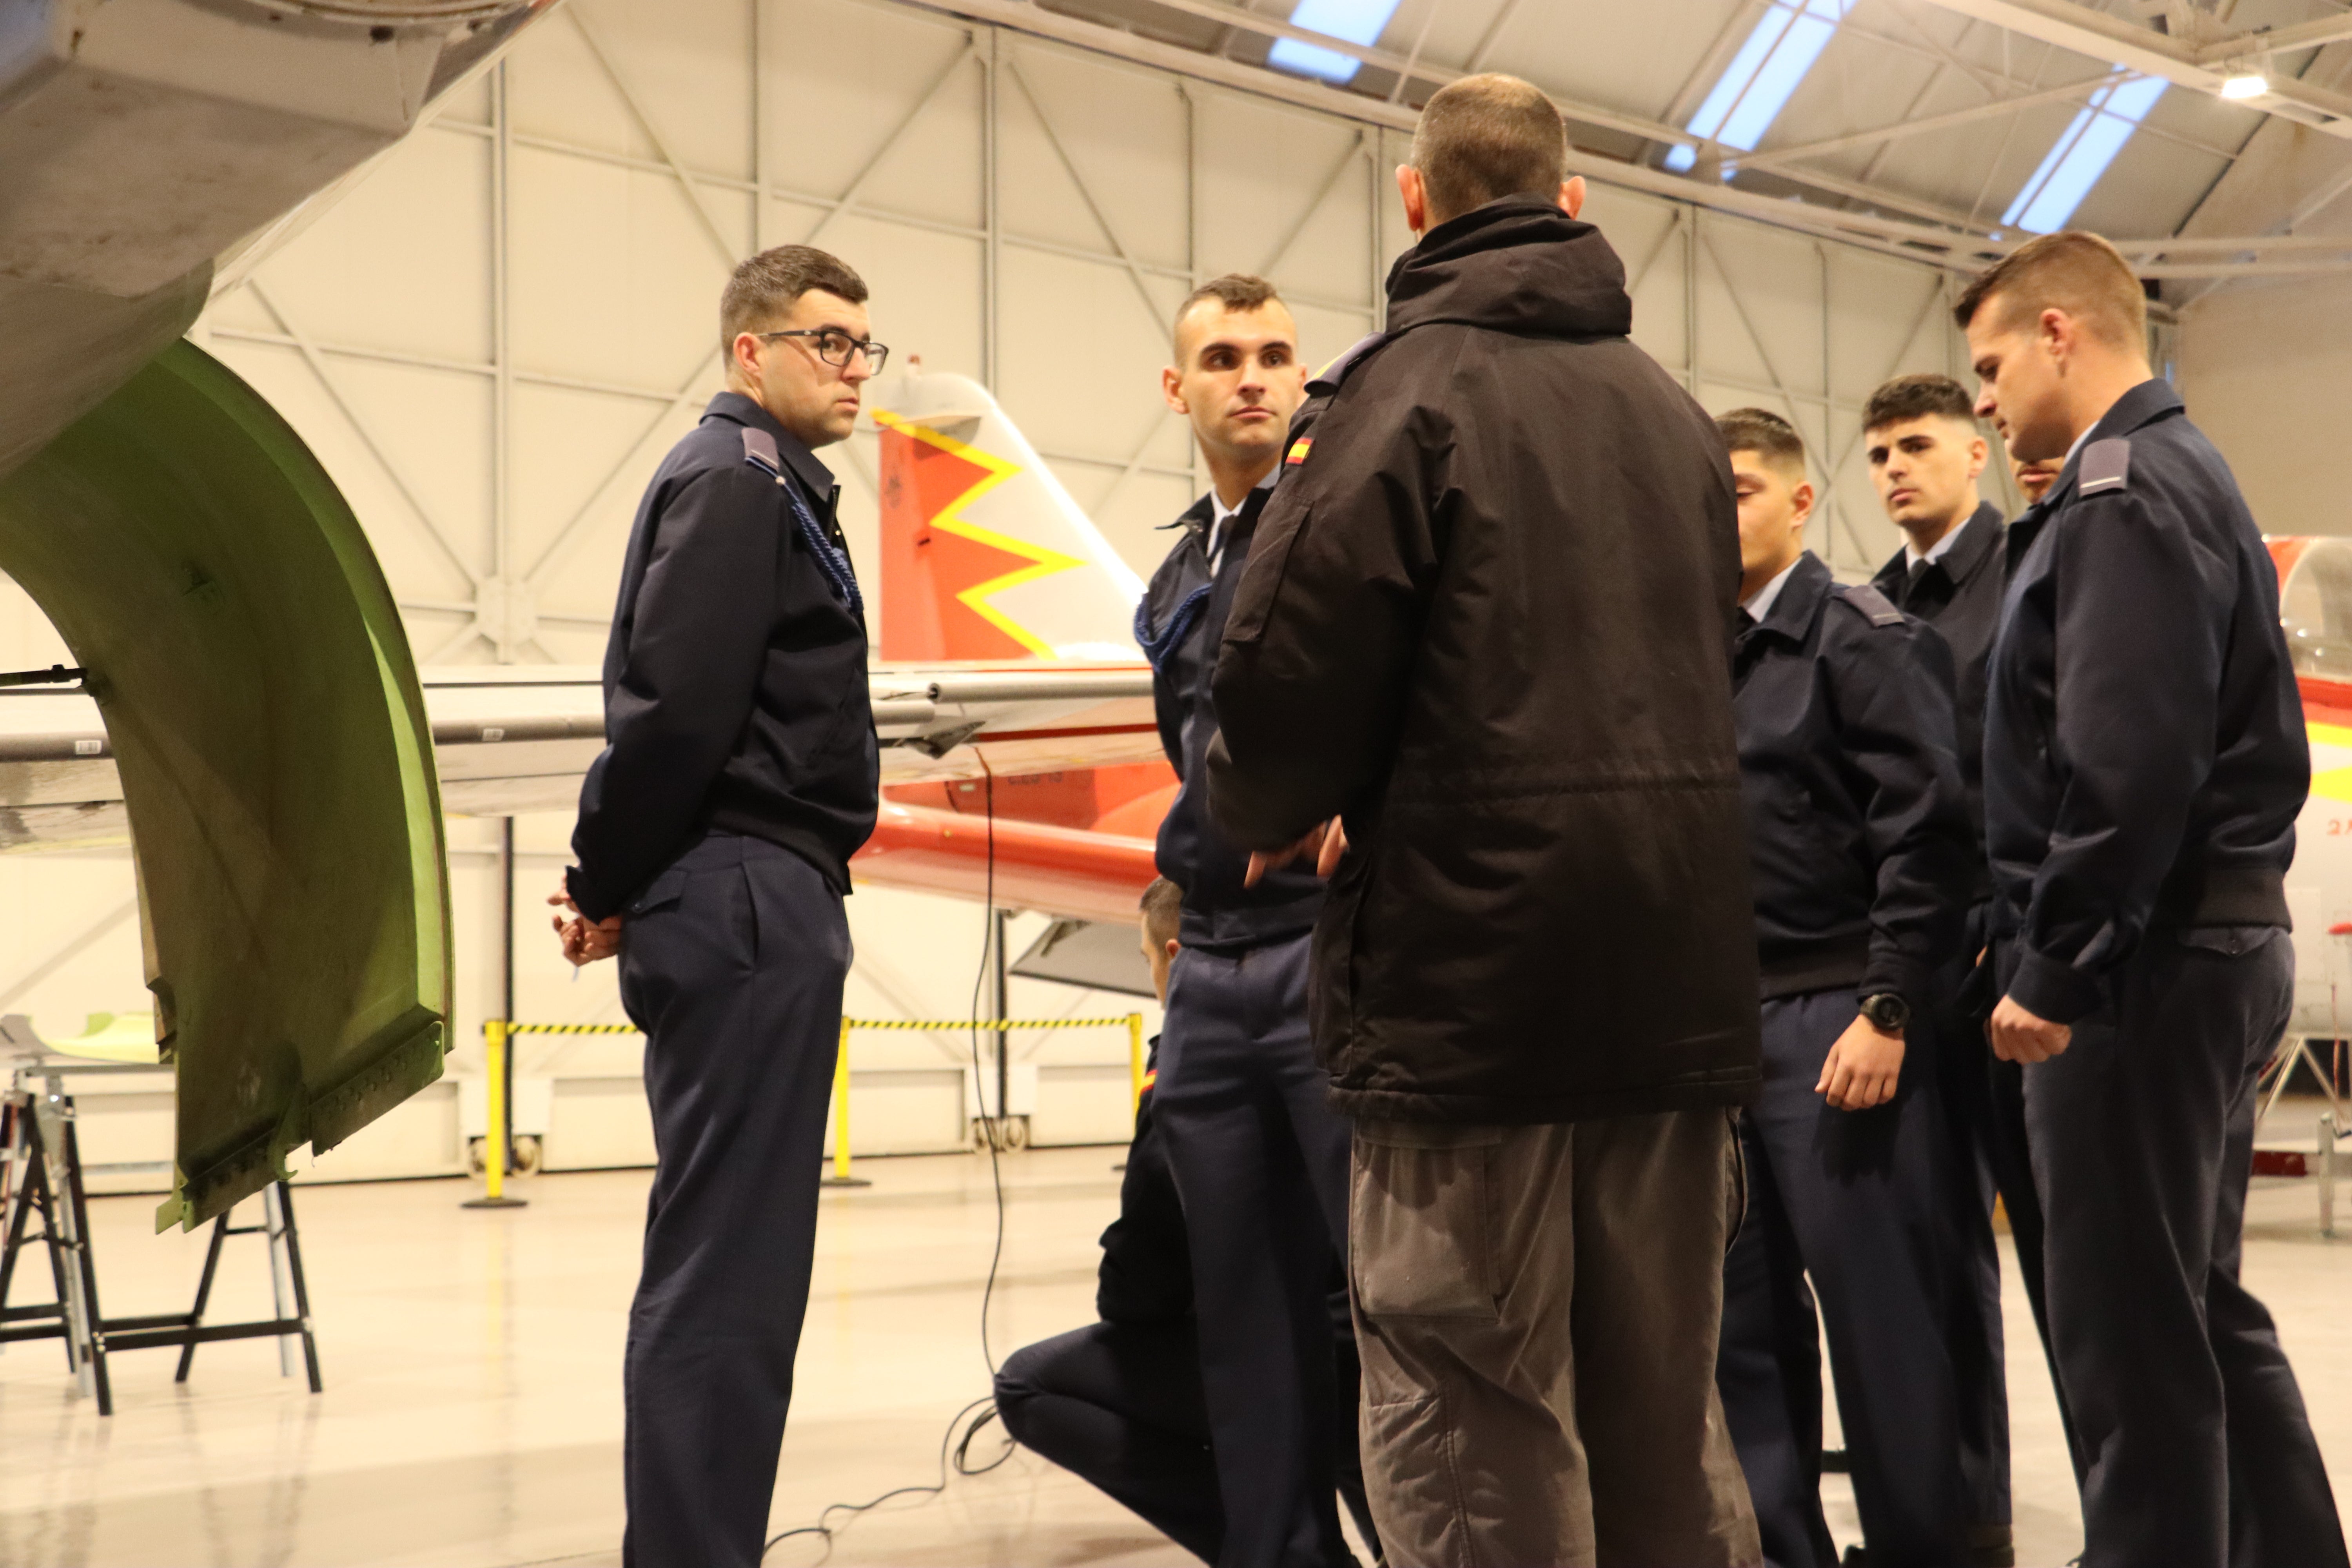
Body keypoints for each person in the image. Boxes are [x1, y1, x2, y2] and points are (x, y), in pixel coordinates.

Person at [1205, 73, 1763, 1567]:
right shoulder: (1676, 418)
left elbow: (1279, 697)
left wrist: (1256, 809)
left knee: (1471, 1410)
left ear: (1414, 200)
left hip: (1473, 1007)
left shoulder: (1398, 399)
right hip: (1676, 992)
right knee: (1663, 1411)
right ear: (1574, 203)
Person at [1960, 229, 2348, 1568]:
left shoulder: (2120, 493)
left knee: (2130, 1335)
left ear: (2061, 331)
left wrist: (2054, 965)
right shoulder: (2188, 472)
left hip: (2146, 963)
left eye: (1992, 365)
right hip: (2213, 941)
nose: (1986, 401)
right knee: (2199, 1311)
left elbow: (2127, 763)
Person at [549, 244, 883, 1568]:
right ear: (752, 352)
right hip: (747, 898)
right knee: (728, 1282)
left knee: (738, 1272)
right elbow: (678, 715)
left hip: (751, 892)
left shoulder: (773, 488)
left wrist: (625, 882)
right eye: (826, 342)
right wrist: (604, 877)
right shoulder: (740, 485)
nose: (853, 367)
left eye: (865, 344)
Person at [1714, 408, 1976, 1568]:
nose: (1712, 521)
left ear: (1798, 502)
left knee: (1884, 1325)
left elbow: (1930, 842)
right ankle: (1786, 1552)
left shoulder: (1861, 638)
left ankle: (1922, 1548)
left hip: (1840, 1022)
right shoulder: (1692, 653)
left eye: (1735, 495)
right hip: (1721, 1038)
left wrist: (1887, 1009)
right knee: (1745, 1328)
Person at [1131, 272, 1364, 1568]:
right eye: (1225, 359)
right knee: (1243, 1311)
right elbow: (1191, 760)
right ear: (1182, 390)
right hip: (1211, 975)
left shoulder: (1337, 533)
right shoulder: (1176, 572)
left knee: (1388, 1298)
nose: (1256, 378)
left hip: (1325, 956)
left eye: (1277, 354)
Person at [994, 878, 1380, 1563]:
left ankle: (1274, 1547)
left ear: (1176, 957)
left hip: (1301, 1373)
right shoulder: (1356, 1035)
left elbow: (1142, 1285)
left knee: (1029, 1383)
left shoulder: (1193, 1072)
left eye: (1146, 960)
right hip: (1392, 1358)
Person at [1861, 373, 2049, 1565]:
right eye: (1877, 452)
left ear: (1975, 454)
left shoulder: (2031, 573)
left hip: (2018, 970)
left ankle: (2141, 1524)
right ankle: (1969, 1520)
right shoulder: (1866, 608)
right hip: (1915, 978)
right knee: (1936, 1258)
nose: (1896, 469)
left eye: (1918, 445)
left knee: (2067, 1271)